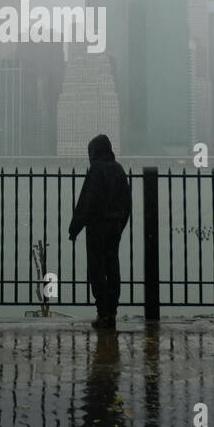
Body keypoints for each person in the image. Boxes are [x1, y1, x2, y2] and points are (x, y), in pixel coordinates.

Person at [67, 134, 132, 329]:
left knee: (97, 270)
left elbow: (87, 202)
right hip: (114, 227)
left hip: (97, 227)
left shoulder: (96, 170)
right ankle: (112, 312)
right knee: (113, 269)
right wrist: (120, 224)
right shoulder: (119, 170)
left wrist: (75, 228)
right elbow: (126, 202)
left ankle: (102, 312)